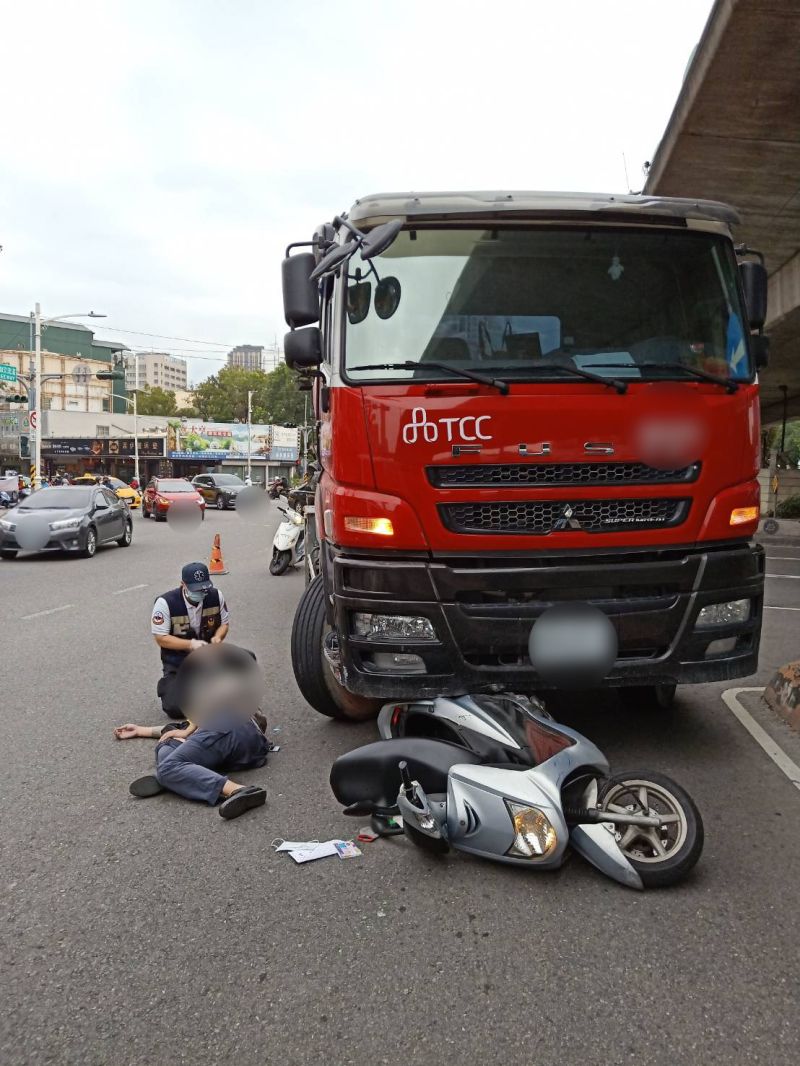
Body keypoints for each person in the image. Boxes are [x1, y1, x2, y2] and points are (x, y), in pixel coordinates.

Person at [115, 644, 269, 819]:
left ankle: (239, 790)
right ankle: (182, 776)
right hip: (246, 748)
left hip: (227, 729)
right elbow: (179, 729)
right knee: (167, 745)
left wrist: (188, 729)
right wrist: (141, 730)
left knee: (168, 764)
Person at [151, 561, 230, 719]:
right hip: (179, 663)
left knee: (247, 660)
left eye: (204, 588)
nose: (201, 593)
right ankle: (171, 685)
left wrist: (217, 637)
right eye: (196, 589)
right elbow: (161, 638)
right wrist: (191, 644)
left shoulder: (216, 596)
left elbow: (224, 624)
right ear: (183, 585)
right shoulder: (165, 603)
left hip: (208, 659)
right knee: (175, 708)